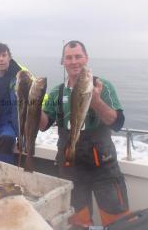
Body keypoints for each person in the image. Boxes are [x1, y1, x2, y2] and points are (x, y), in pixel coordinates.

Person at [39, 41, 129, 228]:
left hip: (104, 165)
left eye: (78, 56)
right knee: (78, 223)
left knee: (118, 221)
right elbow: (43, 126)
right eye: (69, 57)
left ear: (86, 58)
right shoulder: (57, 92)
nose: (74, 62)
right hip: (71, 165)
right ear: (62, 61)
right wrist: (32, 102)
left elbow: (118, 123)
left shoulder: (102, 87)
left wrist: (95, 101)